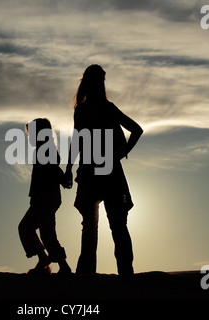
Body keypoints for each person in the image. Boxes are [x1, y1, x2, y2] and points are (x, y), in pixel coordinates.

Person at [65, 65, 143, 276]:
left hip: (93, 173)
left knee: (92, 228)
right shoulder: (105, 108)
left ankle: (88, 275)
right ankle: (125, 274)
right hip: (107, 172)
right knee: (116, 227)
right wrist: (122, 151)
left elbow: (77, 141)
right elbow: (136, 130)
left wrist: (69, 169)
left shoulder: (84, 110)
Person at [18, 118, 72, 275]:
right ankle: (52, 261)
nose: (30, 138)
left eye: (31, 134)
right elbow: (55, 170)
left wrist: (63, 179)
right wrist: (64, 179)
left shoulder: (45, 150)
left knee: (36, 230)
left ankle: (56, 263)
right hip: (44, 198)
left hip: (45, 198)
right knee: (40, 231)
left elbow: (53, 169)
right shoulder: (45, 149)